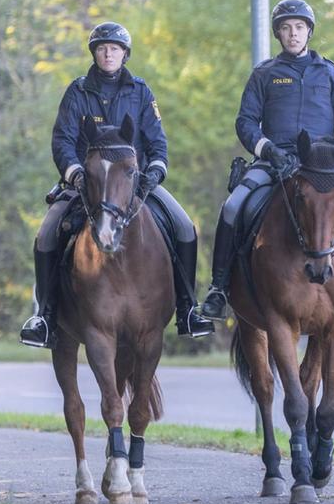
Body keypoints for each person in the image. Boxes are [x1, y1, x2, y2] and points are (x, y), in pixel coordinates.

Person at [19, 22, 214, 348]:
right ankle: (44, 315)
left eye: (115, 48)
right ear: (95, 53)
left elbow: (157, 141)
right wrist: (76, 173)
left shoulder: (141, 91)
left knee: (184, 228)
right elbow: (63, 141)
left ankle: (187, 307)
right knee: (46, 234)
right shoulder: (77, 92)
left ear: (125, 54)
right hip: (86, 183)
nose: (108, 53)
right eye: (102, 48)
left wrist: (154, 172)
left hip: (134, 185)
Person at [197, 0, 334, 323]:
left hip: (323, 168)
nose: (293, 33)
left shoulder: (330, 73)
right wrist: (268, 150)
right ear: (278, 35)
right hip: (273, 164)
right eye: (286, 28)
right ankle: (218, 289)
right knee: (231, 208)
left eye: (299, 27)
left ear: (309, 31)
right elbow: (245, 122)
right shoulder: (264, 74)